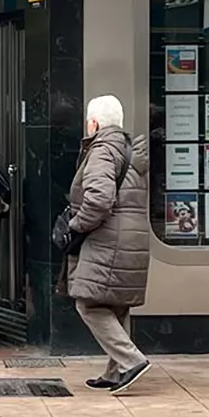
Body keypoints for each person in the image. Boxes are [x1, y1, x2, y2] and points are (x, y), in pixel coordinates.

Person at [64, 95, 152, 395]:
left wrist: (75, 226)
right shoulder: (128, 149)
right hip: (132, 237)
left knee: (87, 303)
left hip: (108, 238)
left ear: (94, 123)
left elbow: (99, 200)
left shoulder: (102, 151)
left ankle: (131, 361)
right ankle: (115, 373)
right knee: (116, 305)